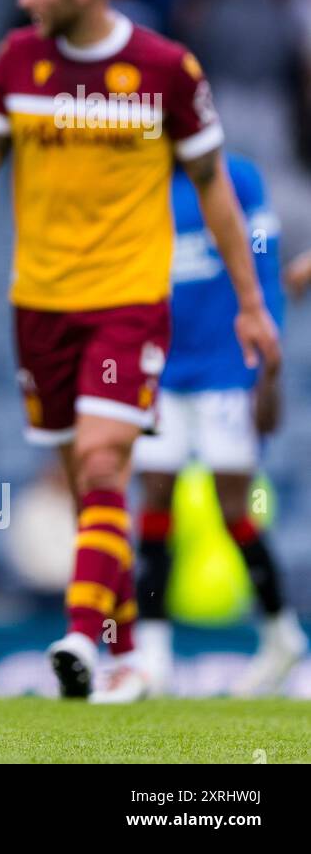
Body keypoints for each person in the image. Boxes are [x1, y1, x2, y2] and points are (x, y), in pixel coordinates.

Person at [0, 0, 280, 703]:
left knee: (108, 459)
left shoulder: (163, 70)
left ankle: (82, 636)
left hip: (127, 303)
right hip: (40, 303)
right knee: (87, 483)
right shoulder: (17, 61)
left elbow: (215, 185)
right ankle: (118, 655)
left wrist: (252, 302)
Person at [133, 155, 305, 696]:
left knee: (234, 504)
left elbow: (264, 262)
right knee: (155, 498)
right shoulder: (140, 179)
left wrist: (266, 360)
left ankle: (281, 634)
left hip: (227, 369)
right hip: (160, 367)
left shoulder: (239, 178)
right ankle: (153, 652)